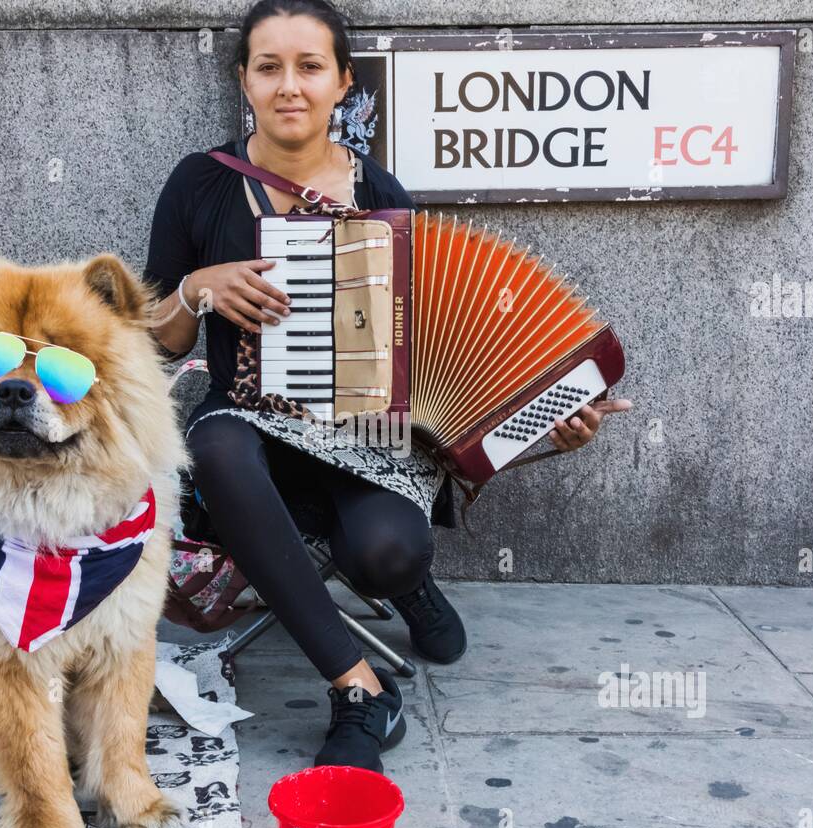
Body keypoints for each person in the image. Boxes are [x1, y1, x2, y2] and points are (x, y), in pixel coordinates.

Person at [142, 0, 631, 773]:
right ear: (245, 80)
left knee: (387, 554)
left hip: (368, 435)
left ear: (342, 83)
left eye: (310, 67)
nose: (289, 85)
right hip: (249, 427)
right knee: (218, 443)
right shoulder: (200, 184)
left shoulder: (382, 191)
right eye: (269, 66)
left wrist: (550, 421)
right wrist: (197, 289)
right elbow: (158, 338)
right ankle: (359, 688)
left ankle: (410, 588)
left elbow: (440, 341)